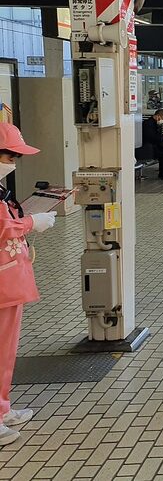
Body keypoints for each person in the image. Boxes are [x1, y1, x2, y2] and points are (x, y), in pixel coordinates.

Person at [0, 124, 57, 446]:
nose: (13, 162)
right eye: (9, 155)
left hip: (9, 279)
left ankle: (3, 408)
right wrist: (30, 223)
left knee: (6, 352)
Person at [140, 109, 163, 179]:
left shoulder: (157, 124)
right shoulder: (148, 124)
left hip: (155, 145)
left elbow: (158, 137)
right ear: (158, 116)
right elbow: (152, 137)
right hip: (148, 147)